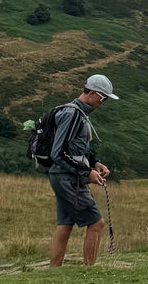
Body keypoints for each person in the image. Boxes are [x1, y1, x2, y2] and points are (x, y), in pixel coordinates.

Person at [47, 73, 118, 267]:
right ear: (93, 93)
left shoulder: (78, 113)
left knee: (65, 224)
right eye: (103, 98)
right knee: (96, 223)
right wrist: (86, 173)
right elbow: (58, 152)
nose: (103, 103)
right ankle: (88, 270)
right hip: (67, 177)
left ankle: (54, 270)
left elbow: (76, 147)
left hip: (63, 175)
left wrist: (94, 163)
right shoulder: (72, 114)